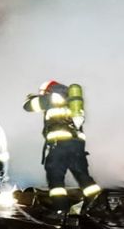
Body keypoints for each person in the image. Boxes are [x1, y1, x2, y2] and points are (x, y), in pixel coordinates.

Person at [23, 79, 100, 217]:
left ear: (48, 90)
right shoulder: (71, 101)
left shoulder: (53, 97)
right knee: (83, 176)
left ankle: (60, 209)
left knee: (55, 178)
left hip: (60, 145)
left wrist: (33, 98)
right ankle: (98, 204)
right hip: (77, 146)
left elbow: (28, 107)